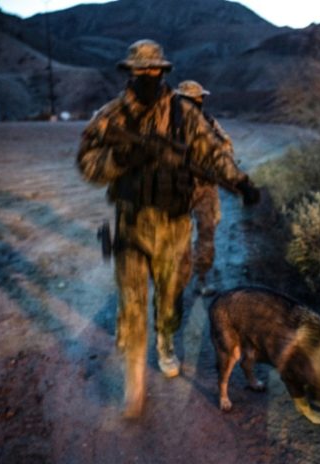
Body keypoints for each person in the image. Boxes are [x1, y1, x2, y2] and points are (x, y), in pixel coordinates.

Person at [76, 39, 259, 418]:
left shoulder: (183, 114)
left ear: (163, 72)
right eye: (140, 71)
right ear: (130, 72)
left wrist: (240, 182)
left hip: (174, 225)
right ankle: (134, 382)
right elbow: (88, 163)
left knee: (171, 296)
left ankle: (165, 341)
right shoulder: (112, 115)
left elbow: (212, 153)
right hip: (131, 222)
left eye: (153, 71)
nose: (147, 77)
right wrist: (122, 156)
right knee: (131, 300)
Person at [174, 80, 229, 296]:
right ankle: (190, 279)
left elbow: (226, 147)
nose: (198, 102)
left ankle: (198, 277)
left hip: (200, 188)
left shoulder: (208, 122)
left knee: (204, 233)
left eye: (198, 99)